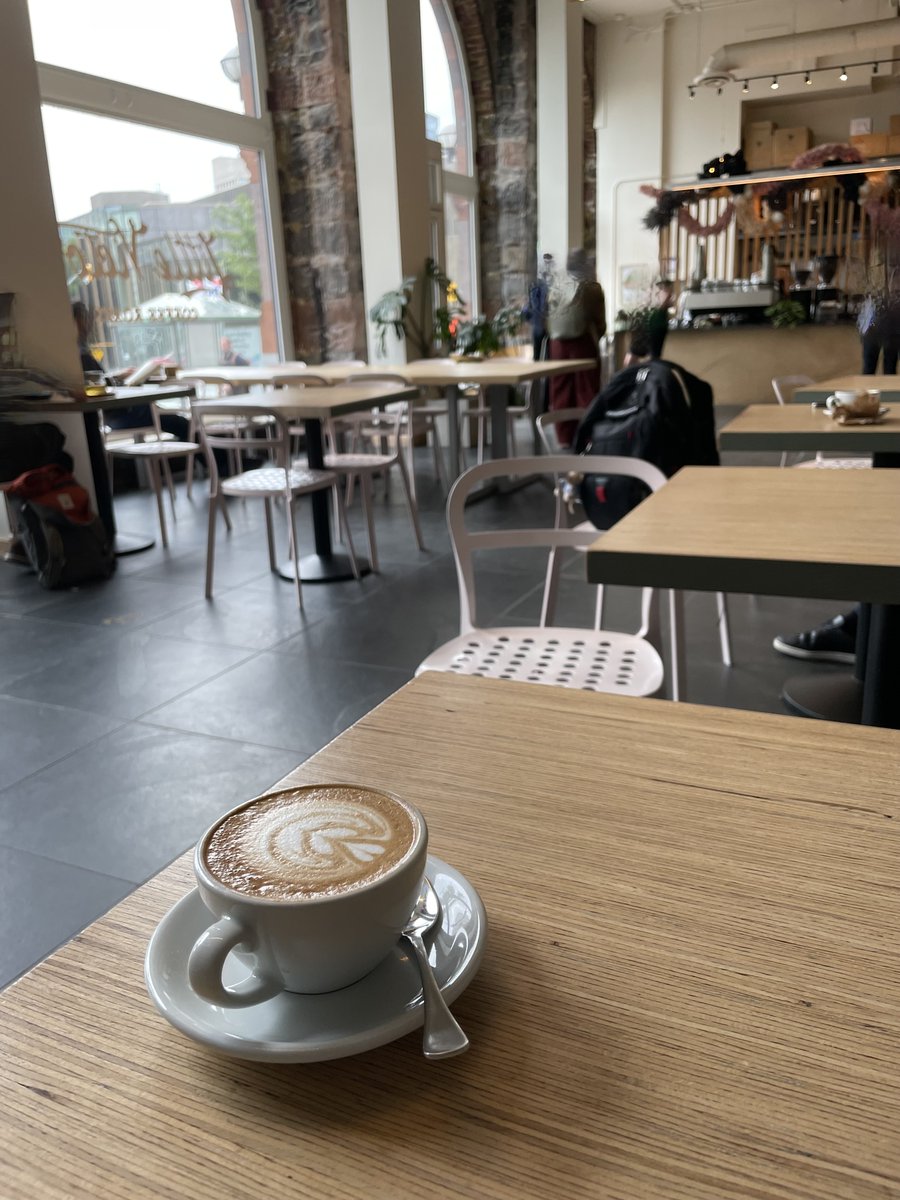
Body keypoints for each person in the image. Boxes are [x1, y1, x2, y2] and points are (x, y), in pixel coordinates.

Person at [545, 249, 606, 448]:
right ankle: (586, 436)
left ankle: (563, 437)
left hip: (557, 345)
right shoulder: (592, 289)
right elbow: (600, 321)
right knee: (586, 390)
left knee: (560, 389)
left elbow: (548, 315)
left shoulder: (556, 286)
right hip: (583, 342)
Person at [521, 253, 555, 362]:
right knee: (537, 356)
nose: (547, 266)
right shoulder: (535, 284)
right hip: (538, 325)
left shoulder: (555, 283)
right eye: (545, 263)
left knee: (549, 357)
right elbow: (531, 306)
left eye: (549, 263)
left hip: (550, 326)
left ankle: (546, 378)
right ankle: (537, 378)